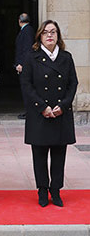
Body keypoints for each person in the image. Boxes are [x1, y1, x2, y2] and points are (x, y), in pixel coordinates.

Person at [21, 20, 78, 208]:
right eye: (45, 32)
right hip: (40, 113)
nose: (50, 36)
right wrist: (42, 106)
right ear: (40, 36)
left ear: (58, 36)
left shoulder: (66, 58)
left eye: (53, 32)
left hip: (61, 113)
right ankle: (43, 191)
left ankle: (56, 190)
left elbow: (72, 84)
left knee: (59, 154)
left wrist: (63, 105)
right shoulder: (31, 57)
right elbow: (26, 85)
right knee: (39, 155)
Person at [15, 13, 35, 119]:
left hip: (25, 66)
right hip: (24, 64)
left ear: (19, 21)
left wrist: (22, 64)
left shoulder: (27, 31)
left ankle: (29, 112)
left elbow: (27, 49)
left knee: (26, 88)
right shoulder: (26, 30)